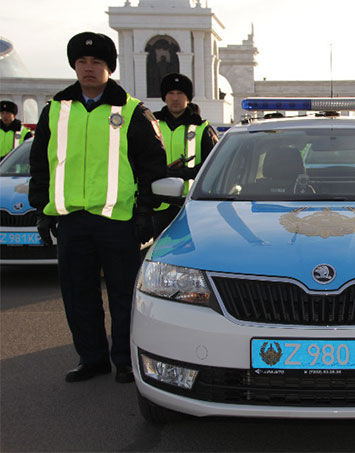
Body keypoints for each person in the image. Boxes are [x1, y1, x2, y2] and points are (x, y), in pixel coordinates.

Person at [28, 32, 167, 384]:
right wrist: (43, 210)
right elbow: (41, 163)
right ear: (74, 65)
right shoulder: (56, 111)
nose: (89, 68)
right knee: (77, 295)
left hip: (117, 221)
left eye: (97, 63)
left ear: (109, 68)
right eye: (82, 62)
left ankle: (123, 359)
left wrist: (145, 212)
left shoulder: (133, 111)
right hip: (73, 219)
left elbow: (152, 165)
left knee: (123, 295)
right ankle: (91, 358)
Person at [152, 72, 218, 238]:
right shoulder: (152, 124)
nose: (175, 98)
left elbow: (214, 166)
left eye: (180, 93)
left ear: (188, 98)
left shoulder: (202, 128)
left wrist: (183, 174)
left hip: (190, 202)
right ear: (164, 97)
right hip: (158, 203)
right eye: (171, 93)